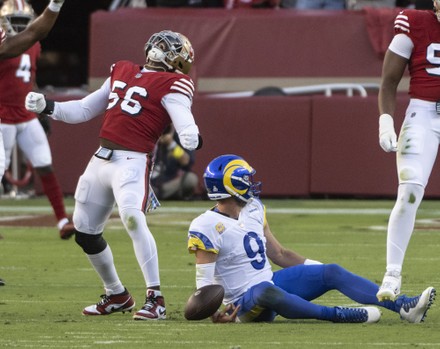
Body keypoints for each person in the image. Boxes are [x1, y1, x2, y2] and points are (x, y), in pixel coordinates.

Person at [25, 30, 202, 320]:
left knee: (132, 217)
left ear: (178, 61)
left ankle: (155, 298)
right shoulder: (123, 69)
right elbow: (84, 109)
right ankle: (117, 293)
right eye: (159, 43)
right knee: (84, 232)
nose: (160, 48)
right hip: (101, 158)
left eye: (168, 47)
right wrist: (48, 106)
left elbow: (182, 114)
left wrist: (189, 132)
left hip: (132, 161)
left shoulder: (176, 83)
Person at [186, 154, 436, 324]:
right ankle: (338, 315)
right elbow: (204, 287)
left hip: (271, 282)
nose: (251, 183)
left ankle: (404, 307)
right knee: (264, 290)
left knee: (332, 272)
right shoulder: (206, 225)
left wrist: (319, 272)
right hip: (244, 303)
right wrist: (215, 314)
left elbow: (280, 254)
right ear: (232, 185)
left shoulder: (253, 208)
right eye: (246, 179)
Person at [376, 1, 440, 302]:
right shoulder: (413, 22)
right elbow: (388, 82)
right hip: (424, 115)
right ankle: (392, 272)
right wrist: (386, 120)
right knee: (410, 190)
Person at [0, 0, 66, 285]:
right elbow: (15, 44)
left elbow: (30, 77)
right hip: (0, 115)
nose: (16, 24)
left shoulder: (33, 43)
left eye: (20, 19)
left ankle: (62, 218)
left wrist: (38, 106)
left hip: (23, 115)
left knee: (44, 163)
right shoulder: (13, 40)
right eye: (11, 19)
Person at [151, 125, 198, 200]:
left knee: (191, 179)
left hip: (169, 183)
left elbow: (186, 162)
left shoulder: (179, 138)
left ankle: (174, 196)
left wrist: (171, 144)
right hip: (150, 183)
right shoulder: (147, 135)